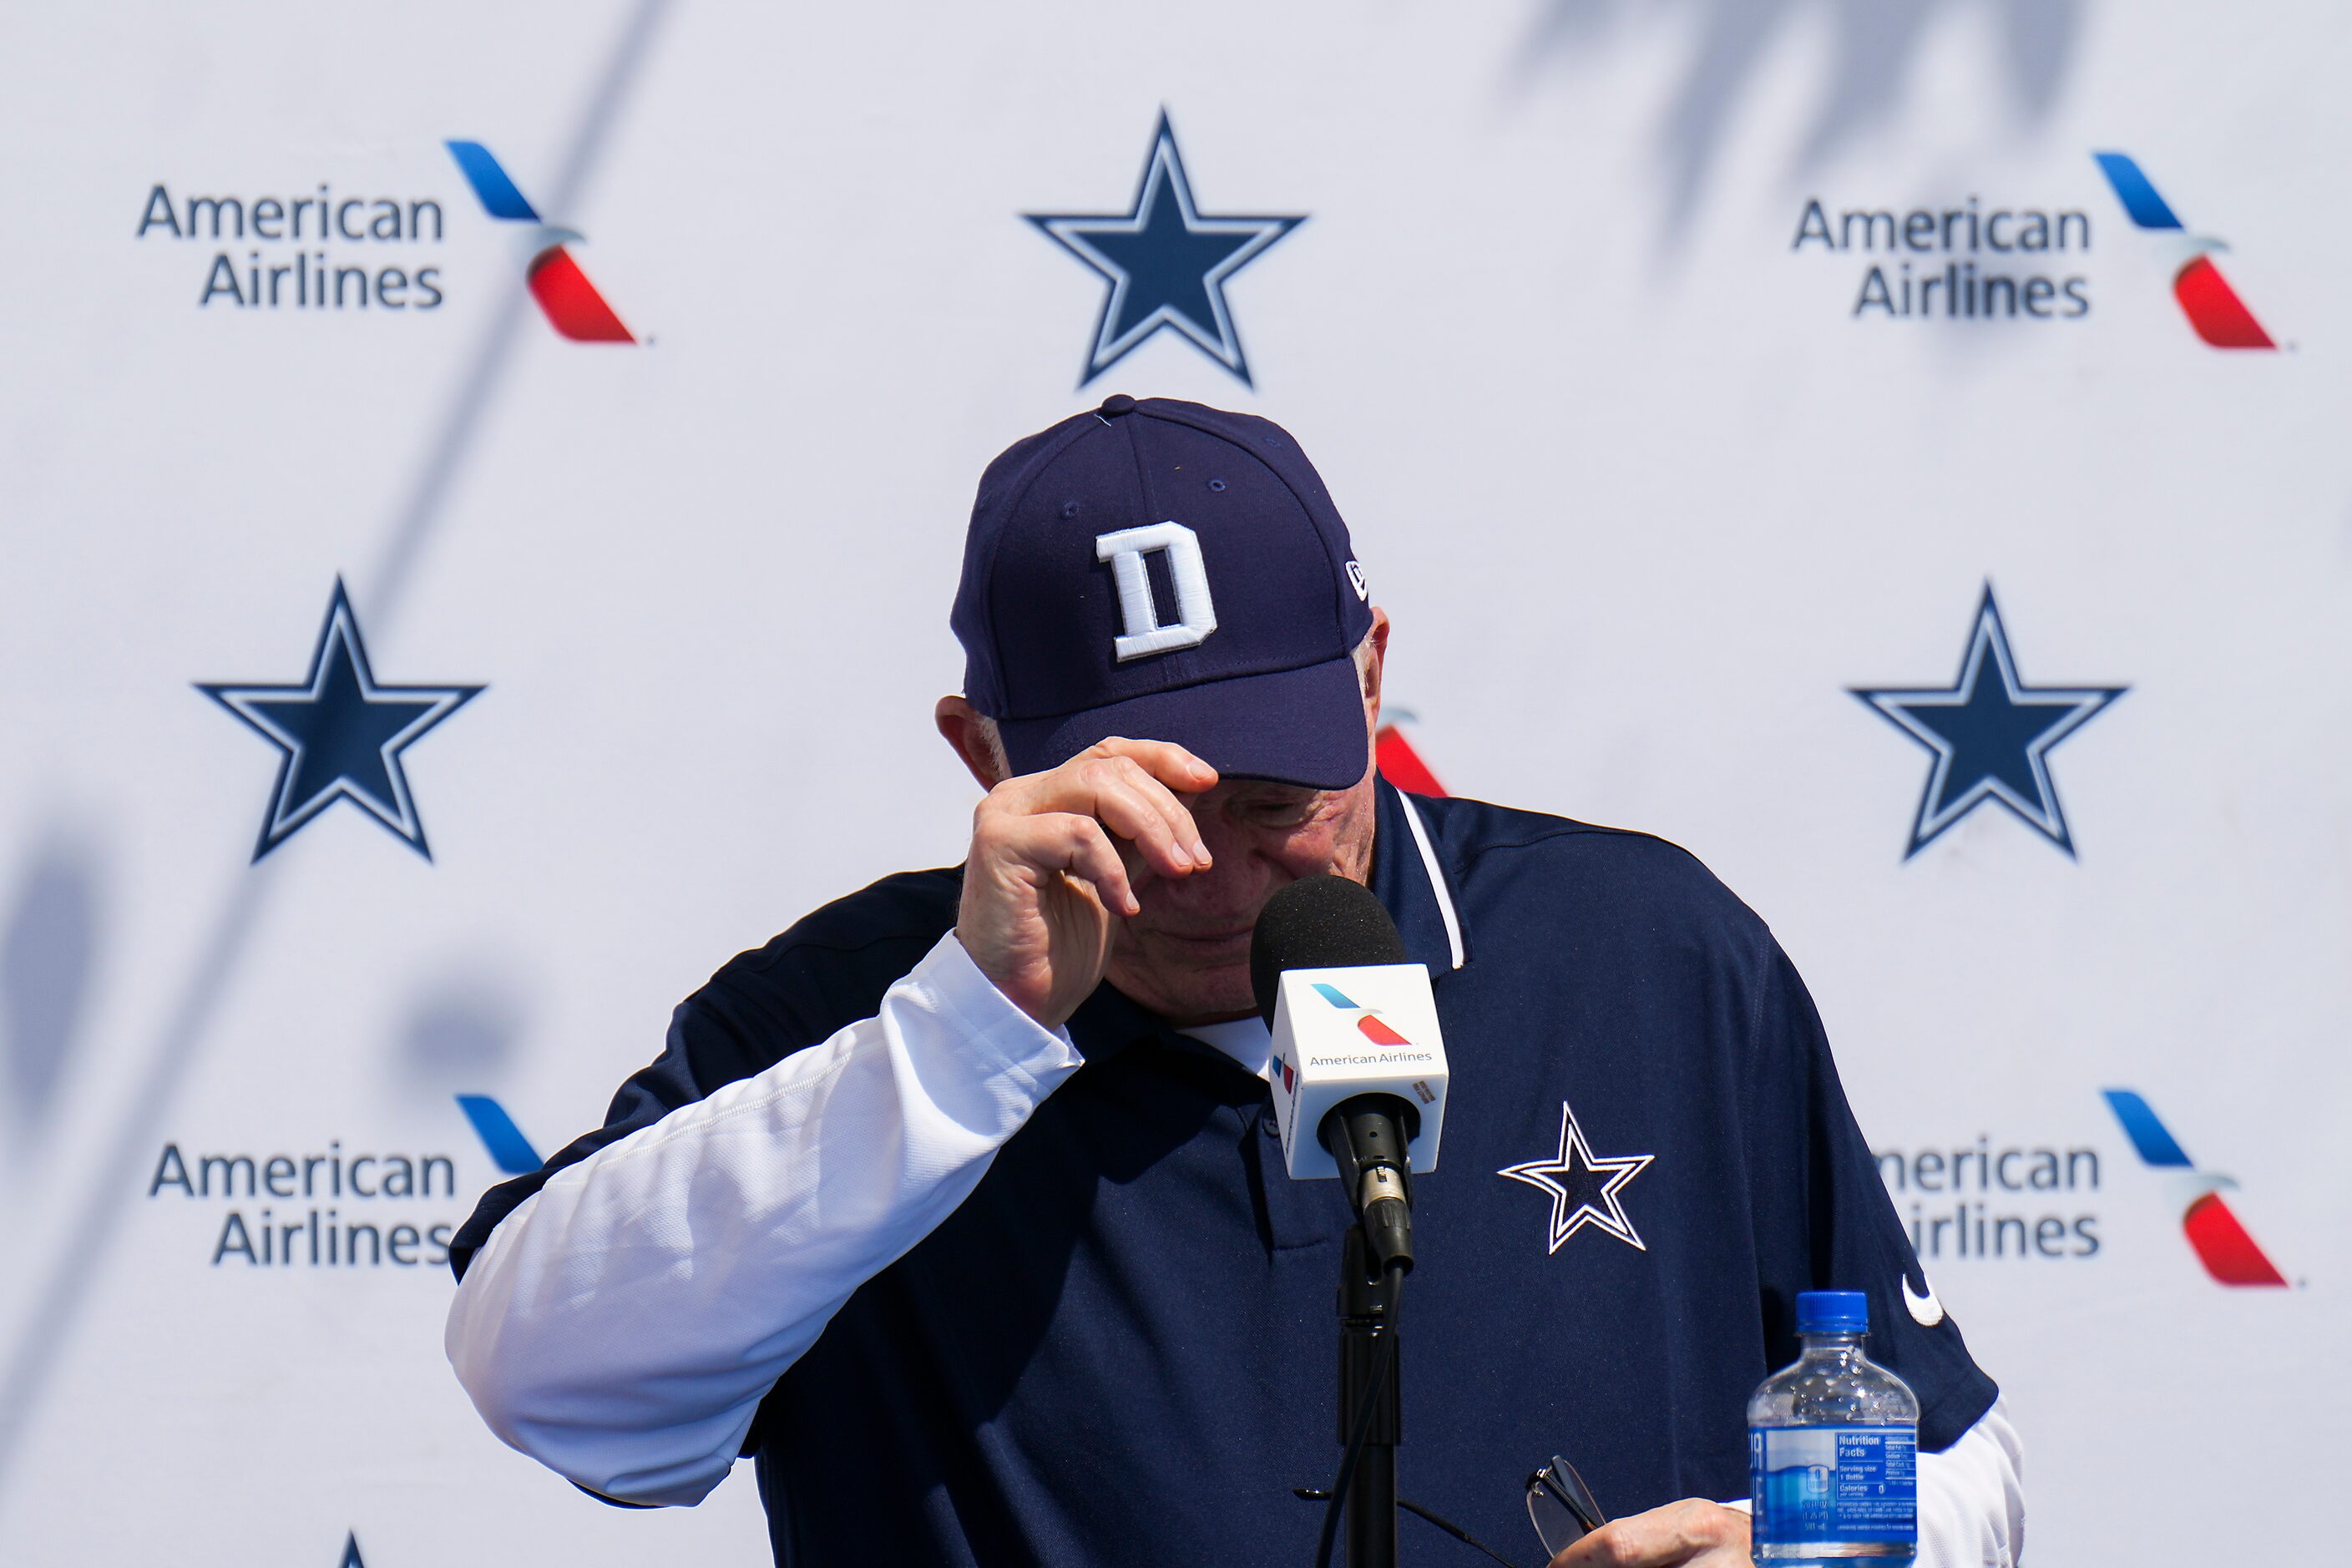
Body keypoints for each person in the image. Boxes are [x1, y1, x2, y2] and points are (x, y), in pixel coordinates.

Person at [445, 394, 2025, 1568]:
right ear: (979, 757)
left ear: (1374, 675)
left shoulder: (1645, 949)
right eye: (1134, 809)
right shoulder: (867, 1017)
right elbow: (548, 1385)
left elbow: (1961, 1462)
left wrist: (1829, 1555)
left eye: (1275, 798)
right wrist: (955, 1043)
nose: (1212, 872)